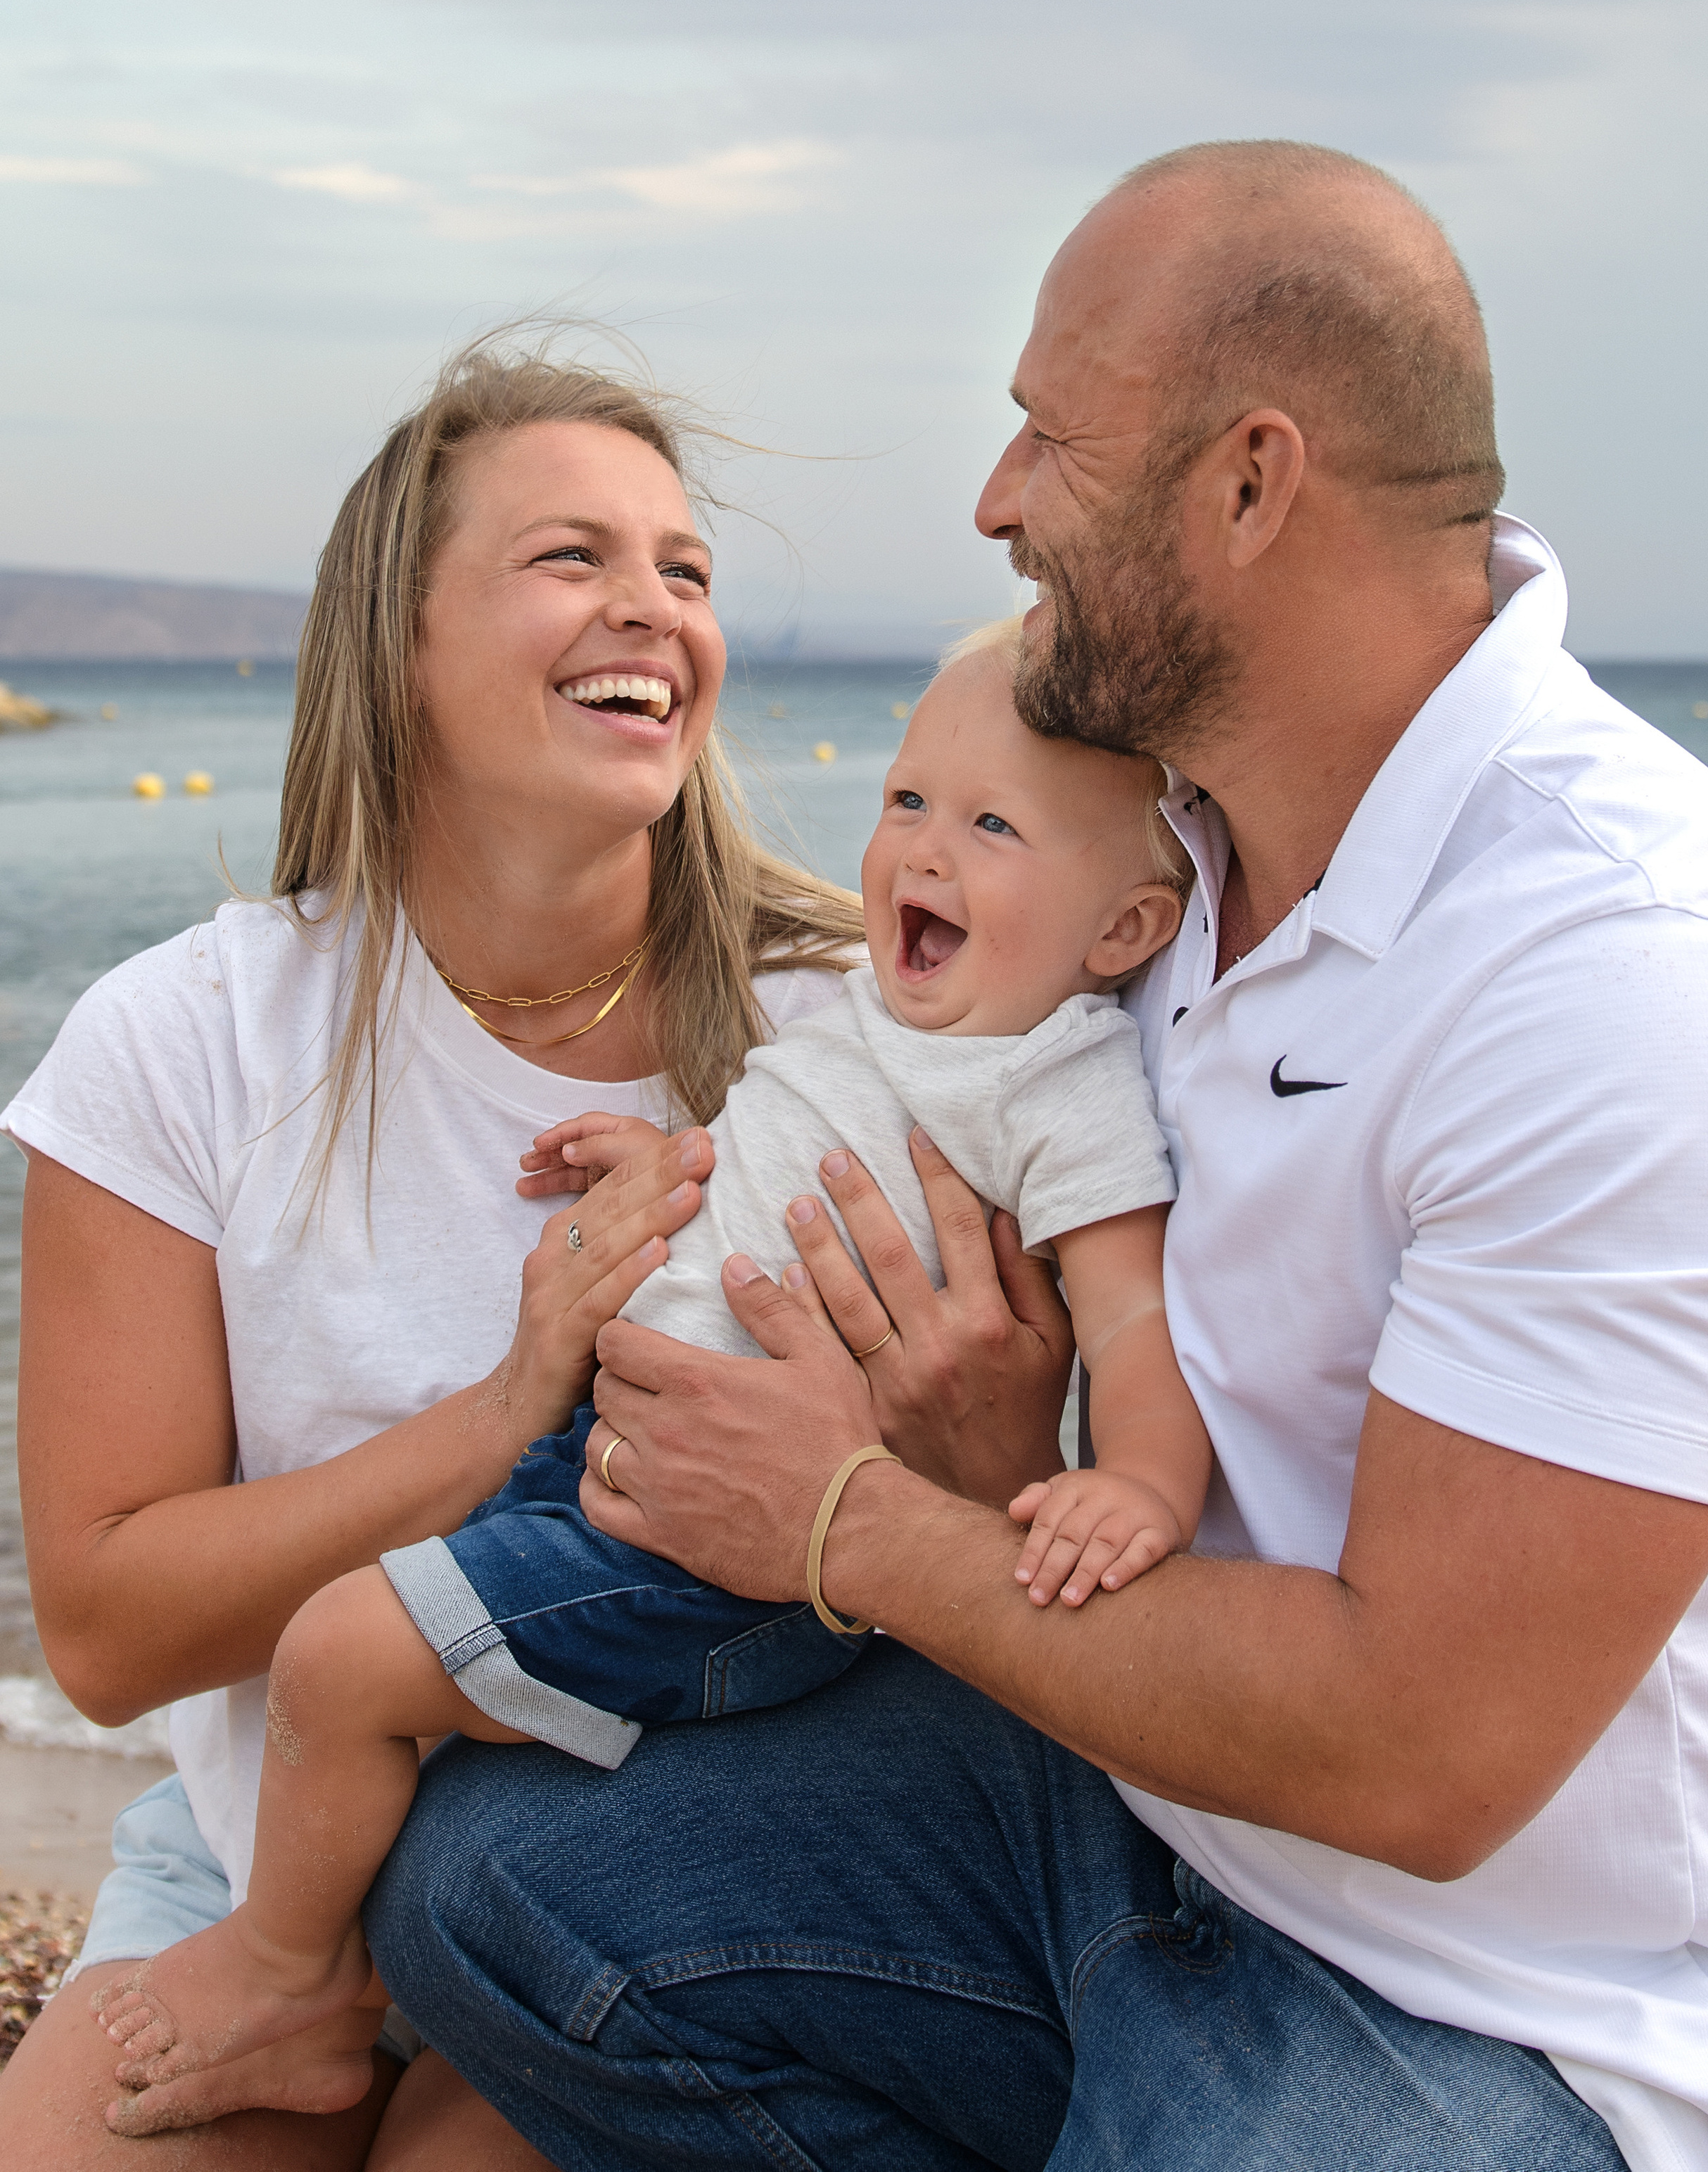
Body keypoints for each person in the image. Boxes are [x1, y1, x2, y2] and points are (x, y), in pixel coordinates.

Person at [367, 143, 1708, 2172]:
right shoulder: (1158, 857)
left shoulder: (1626, 976)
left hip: (1517, 2000)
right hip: (1139, 1809)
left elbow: (1425, 1755)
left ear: (1250, 483)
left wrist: (848, 1523)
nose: (994, 498)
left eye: (1052, 436)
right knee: (493, 1893)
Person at [0, 343, 1078, 2168]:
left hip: (657, 1881)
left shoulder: (869, 1026)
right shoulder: (187, 1039)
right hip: (269, 1849)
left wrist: (982, 1440)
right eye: (573, 557)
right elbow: (106, 1634)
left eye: (685, 569)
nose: (651, 606)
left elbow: (997, 1509)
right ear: (397, 643)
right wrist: (511, 1408)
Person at [87, 625, 1212, 2111]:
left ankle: (293, 1978)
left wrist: (1141, 1481)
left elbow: (1130, 1319)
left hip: (719, 1559)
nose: (923, 850)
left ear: (1125, 930)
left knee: (340, 1656)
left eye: (991, 826)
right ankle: (346, 1952)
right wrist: (678, 1168)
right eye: (906, 800)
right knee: (383, 1668)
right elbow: (798, 1165)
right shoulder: (877, 1011)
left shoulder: (1059, 1086)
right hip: (624, 1476)